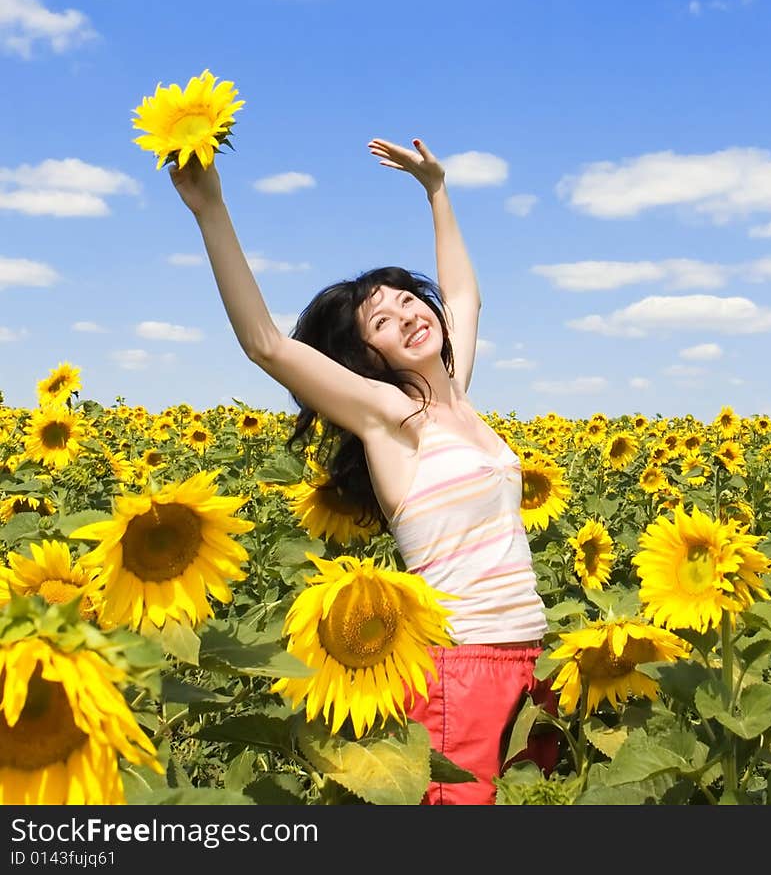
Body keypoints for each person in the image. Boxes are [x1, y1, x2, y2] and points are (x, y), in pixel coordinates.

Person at [169, 134, 556, 805]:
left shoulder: (457, 398)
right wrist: (210, 210)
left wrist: (437, 190)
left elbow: (466, 296)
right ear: (368, 357)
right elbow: (265, 343)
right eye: (382, 320)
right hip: (458, 670)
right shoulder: (389, 417)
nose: (406, 314)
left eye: (408, 300)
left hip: (531, 664)